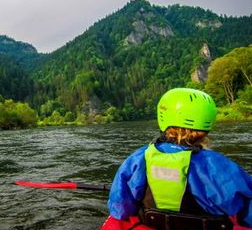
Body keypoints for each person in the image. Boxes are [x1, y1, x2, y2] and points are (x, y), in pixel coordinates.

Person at [101, 88, 251, 230]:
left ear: (163, 118)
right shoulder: (219, 166)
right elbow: (245, 209)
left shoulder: (138, 159)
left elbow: (120, 209)